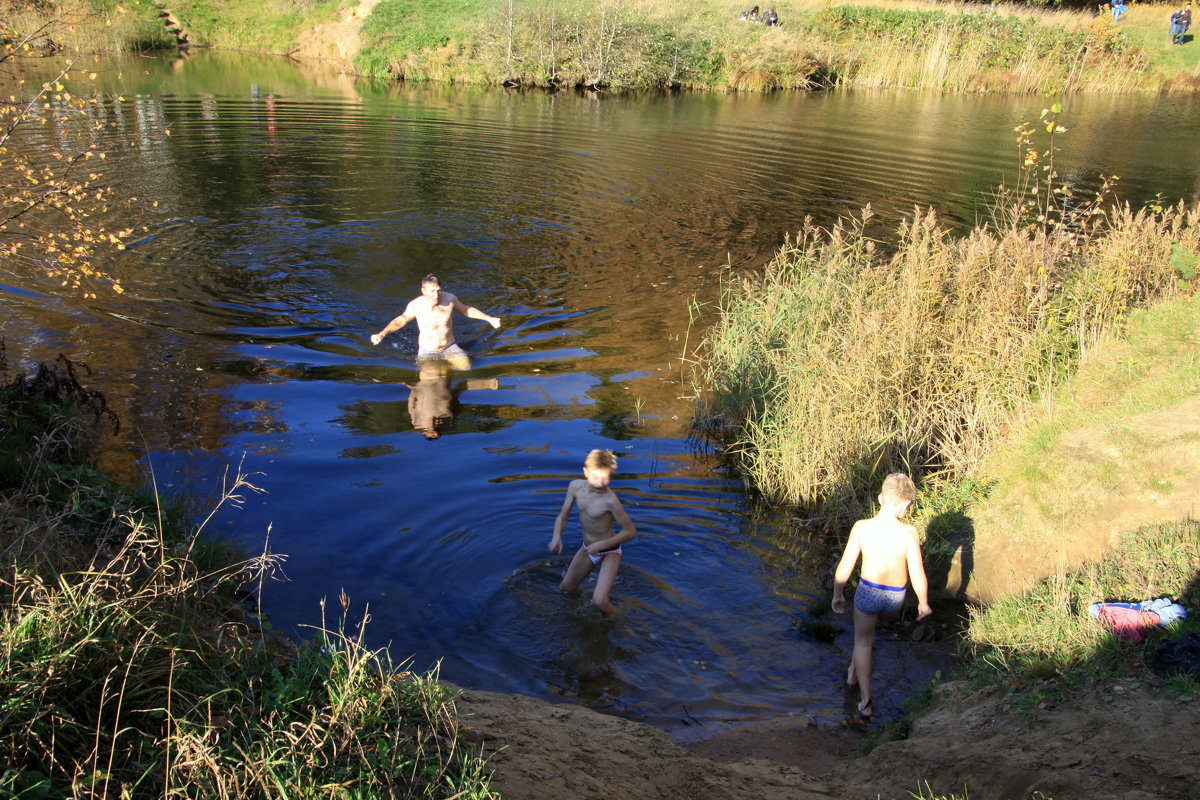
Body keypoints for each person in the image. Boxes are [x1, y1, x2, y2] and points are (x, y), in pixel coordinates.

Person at [831, 473, 932, 718]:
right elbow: (917, 573)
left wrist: (838, 594)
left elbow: (845, 567)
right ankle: (853, 672)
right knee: (866, 636)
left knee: (863, 642)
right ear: (906, 504)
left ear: (880, 498)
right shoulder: (909, 533)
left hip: (868, 593)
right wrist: (923, 603)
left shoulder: (862, 528)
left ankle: (865, 703)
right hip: (895, 598)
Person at [548, 449, 637, 617]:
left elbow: (630, 531)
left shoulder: (610, 500)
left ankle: (620, 624)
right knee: (567, 588)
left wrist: (601, 545)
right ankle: (582, 614)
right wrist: (556, 536)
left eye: (606, 479)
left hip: (609, 550)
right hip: (588, 549)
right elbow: (563, 516)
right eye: (596, 478)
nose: (600, 484)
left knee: (600, 601)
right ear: (585, 471)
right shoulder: (575, 487)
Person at [370, 274, 501, 368]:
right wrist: (382, 333)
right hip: (428, 351)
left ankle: (444, 371)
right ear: (423, 291)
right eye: (432, 291)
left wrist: (489, 318)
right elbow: (401, 320)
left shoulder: (449, 299)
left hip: (449, 346)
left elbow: (465, 310)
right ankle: (441, 371)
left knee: (466, 368)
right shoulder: (416, 305)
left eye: (439, 291)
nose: (436, 295)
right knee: (430, 380)